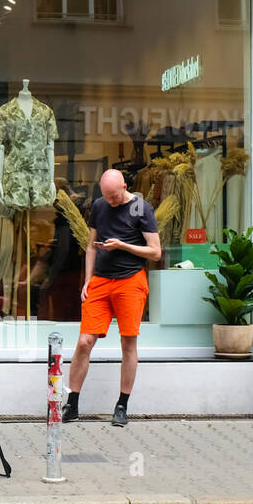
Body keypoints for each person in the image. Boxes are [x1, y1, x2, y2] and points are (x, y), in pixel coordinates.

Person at [63, 168, 161, 427]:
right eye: (107, 197)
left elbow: (155, 252)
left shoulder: (142, 208)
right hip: (101, 281)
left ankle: (121, 405)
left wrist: (123, 246)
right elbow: (91, 244)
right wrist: (88, 279)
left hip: (130, 281)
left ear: (125, 187)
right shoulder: (98, 205)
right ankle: (71, 403)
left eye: (115, 196)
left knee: (128, 344)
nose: (111, 202)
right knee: (84, 342)